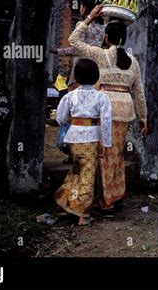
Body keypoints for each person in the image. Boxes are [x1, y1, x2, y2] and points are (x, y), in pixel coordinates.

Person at [68, 5, 148, 218]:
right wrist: (143, 118)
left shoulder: (100, 55)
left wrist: (88, 19)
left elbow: (73, 42)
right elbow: (139, 92)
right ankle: (117, 197)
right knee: (117, 156)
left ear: (106, 37)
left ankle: (107, 204)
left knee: (104, 156)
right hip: (125, 112)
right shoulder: (133, 62)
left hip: (104, 111)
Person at [53, 58, 112, 226]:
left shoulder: (70, 96)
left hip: (74, 138)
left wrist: (73, 124)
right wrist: (106, 144)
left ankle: (68, 203)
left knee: (77, 170)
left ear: (77, 77)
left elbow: (60, 117)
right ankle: (83, 213)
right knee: (88, 175)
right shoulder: (102, 98)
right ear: (96, 76)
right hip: (92, 138)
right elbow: (106, 122)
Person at [50, 0, 106, 92]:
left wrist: (57, 51)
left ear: (84, 9)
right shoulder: (103, 28)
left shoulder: (81, 25)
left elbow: (76, 48)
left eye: (81, 6)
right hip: (96, 68)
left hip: (81, 66)